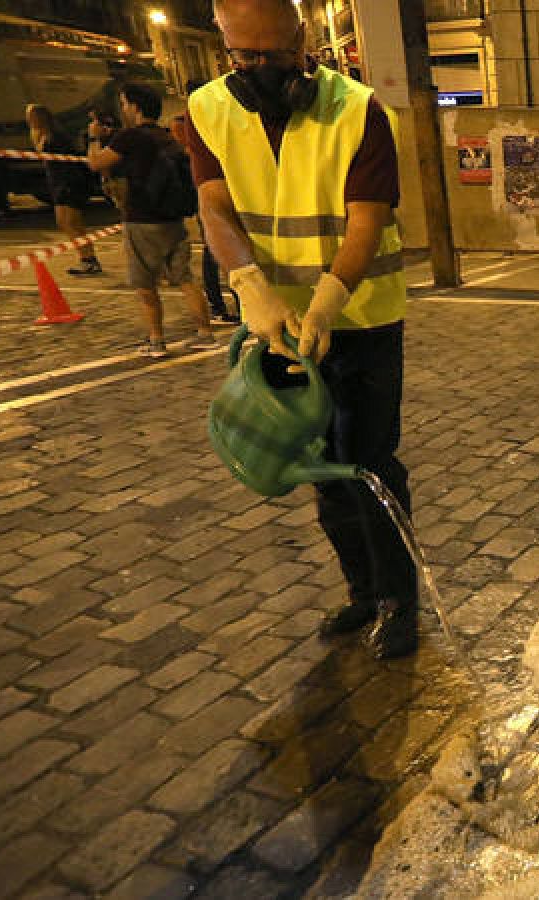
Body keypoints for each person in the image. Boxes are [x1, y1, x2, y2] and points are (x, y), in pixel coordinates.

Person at [189, 0, 416, 659]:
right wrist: (249, 286)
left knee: (371, 460)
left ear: (304, 40)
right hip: (277, 326)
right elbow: (214, 206)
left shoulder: (357, 110)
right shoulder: (207, 112)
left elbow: (366, 219)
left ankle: (401, 601)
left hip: (364, 316)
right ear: (224, 46)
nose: (261, 69)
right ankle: (363, 593)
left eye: (276, 54)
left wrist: (326, 303)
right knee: (321, 468)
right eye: (245, 57)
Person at [86, 83, 217, 357]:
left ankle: (156, 340)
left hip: (142, 218)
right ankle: (205, 333)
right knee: (185, 279)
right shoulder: (167, 137)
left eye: (125, 104)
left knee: (145, 284)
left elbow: (97, 163)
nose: (123, 109)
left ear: (135, 106)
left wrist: (95, 138)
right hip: (172, 218)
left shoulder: (130, 137)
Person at [169, 80, 240, 325]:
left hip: (229, 190)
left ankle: (236, 302)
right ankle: (218, 304)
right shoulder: (185, 123)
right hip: (207, 192)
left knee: (227, 248)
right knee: (215, 251)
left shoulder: (220, 117)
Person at [27, 105, 103, 275]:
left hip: (68, 182)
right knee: (66, 222)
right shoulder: (44, 135)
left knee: (71, 222)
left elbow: (67, 161)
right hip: (58, 182)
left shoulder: (55, 137)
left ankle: (89, 259)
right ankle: (87, 258)